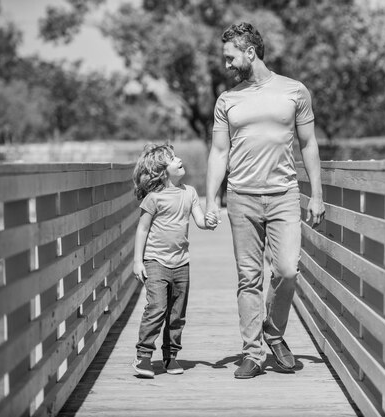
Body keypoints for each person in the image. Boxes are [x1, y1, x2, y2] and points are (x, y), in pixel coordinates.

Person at [205, 22, 325, 379]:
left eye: (230, 58)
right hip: (241, 198)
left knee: (288, 269)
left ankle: (272, 331)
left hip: (284, 195)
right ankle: (253, 352)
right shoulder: (227, 100)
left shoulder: (294, 91)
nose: (226, 65)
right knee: (248, 277)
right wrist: (211, 199)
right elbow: (219, 151)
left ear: (250, 52)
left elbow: (308, 144)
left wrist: (317, 195)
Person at [131, 144, 218, 378]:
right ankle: (144, 357)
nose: (179, 159)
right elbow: (142, 229)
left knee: (177, 313)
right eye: (172, 158)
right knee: (157, 308)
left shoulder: (189, 192)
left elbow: (199, 221)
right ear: (162, 170)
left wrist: (208, 222)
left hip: (181, 263)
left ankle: (171, 356)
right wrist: (138, 261)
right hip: (155, 261)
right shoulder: (153, 198)